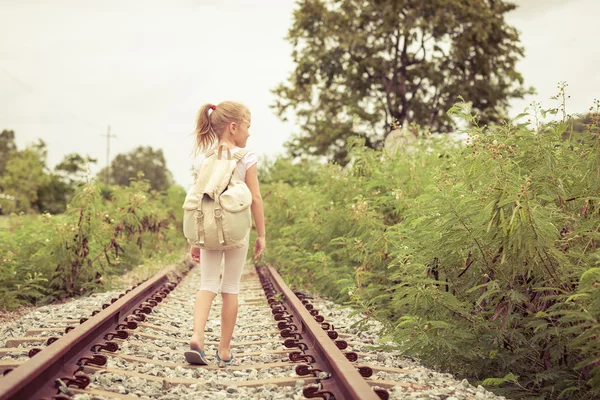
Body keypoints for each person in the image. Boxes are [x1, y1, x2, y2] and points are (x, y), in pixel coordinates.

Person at [186, 101, 266, 366]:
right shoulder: (247, 158)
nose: (249, 133)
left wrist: (195, 240)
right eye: (247, 127)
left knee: (207, 284)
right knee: (230, 287)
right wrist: (262, 234)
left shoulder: (206, 158)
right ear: (233, 127)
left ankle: (197, 336)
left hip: (207, 229)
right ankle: (224, 349)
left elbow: (199, 199)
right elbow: (255, 197)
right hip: (236, 231)